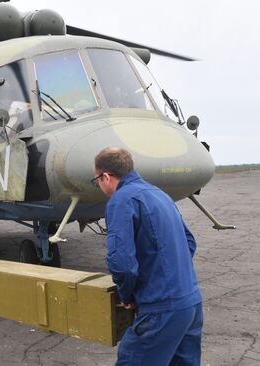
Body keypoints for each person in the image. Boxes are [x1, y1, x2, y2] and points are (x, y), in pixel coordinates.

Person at [92, 147, 203, 365]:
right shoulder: (158, 193)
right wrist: (170, 277)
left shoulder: (121, 200)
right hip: (191, 303)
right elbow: (189, 242)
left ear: (106, 176)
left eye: (96, 179)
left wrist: (128, 296)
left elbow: (122, 263)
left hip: (161, 310)